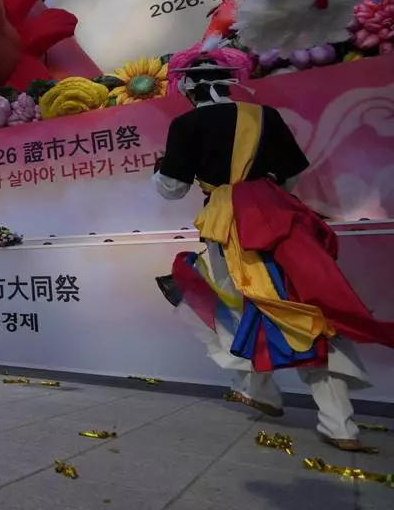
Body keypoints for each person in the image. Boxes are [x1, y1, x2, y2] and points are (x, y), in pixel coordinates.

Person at [154, 50, 394, 452]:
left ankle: (261, 388)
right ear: (228, 83)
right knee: (307, 306)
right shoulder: (265, 116)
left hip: (227, 225)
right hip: (280, 219)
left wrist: (161, 173)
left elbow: (172, 187)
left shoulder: (186, 124)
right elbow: (292, 172)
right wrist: (264, 197)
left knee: (228, 301)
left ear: (189, 87)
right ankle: (336, 422)